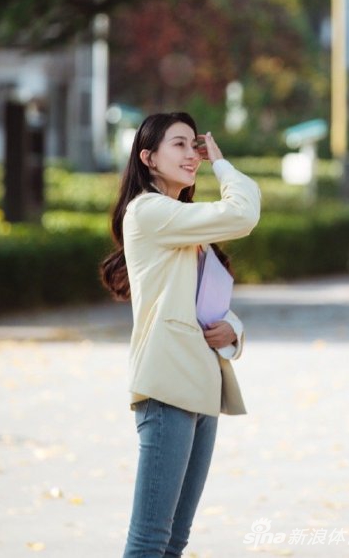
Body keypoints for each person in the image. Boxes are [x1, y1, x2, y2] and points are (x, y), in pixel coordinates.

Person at [100, 111, 260, 558]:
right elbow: (243, 213)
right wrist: (222, 165)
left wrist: (234, 331)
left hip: (203, 384)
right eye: (179, 145)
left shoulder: (182, 220)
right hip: (168, 386)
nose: (192, 154)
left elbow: (207, 303)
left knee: (174, 542)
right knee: (151, 539)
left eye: (196, 145)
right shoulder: (149, 211)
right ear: (148, 158)